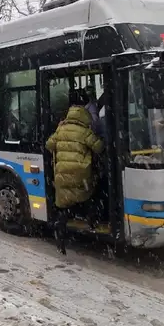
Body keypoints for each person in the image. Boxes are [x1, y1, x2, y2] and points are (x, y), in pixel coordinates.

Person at [45, 92, 104, 254]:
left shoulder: (61, 129)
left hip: (62, 176)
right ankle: (92, 222)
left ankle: (60, 235)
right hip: (81, 176)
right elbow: (99, 147)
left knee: (64, 207)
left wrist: (58, 129)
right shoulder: (84, 131)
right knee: (90, 197)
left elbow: (49, 145)